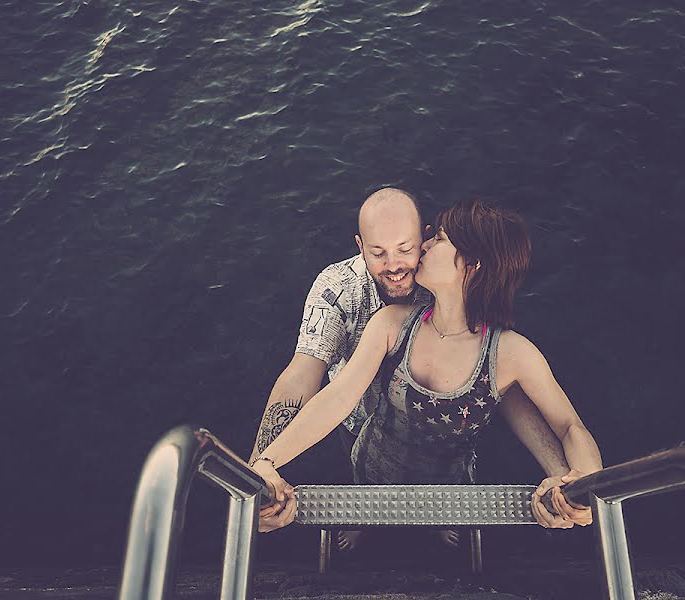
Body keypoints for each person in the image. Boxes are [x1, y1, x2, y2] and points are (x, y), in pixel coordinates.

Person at [252, 198, 603, 539]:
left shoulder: (513, 352)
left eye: (437, 239)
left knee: (444, 512)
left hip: (449, 478)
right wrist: (265, 464)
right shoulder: (388, 320)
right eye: (378, 252)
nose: (424, 247)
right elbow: (338, 394)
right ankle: (362, 519)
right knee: (363, 489)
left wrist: (575, 487)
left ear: (472, 264)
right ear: (361, 247)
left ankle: (442, 522)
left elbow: (568, 424)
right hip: (373, 448)